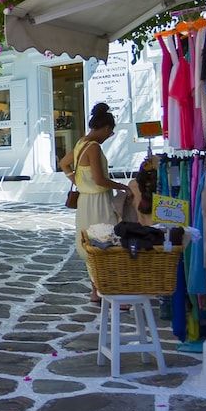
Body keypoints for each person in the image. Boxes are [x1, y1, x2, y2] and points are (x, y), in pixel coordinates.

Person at [60, 102, 131, 300]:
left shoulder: (81, 143)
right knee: (106, 243)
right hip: (98, 201)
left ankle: (96, 291)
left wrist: (77, 180)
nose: (109, 136)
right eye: (111, 133)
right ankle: (107, 291)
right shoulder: (93, 148)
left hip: (85, 202)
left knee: (91, 247)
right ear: (106, 128)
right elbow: (100, 180)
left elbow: (63, 163)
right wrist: (122, 187)